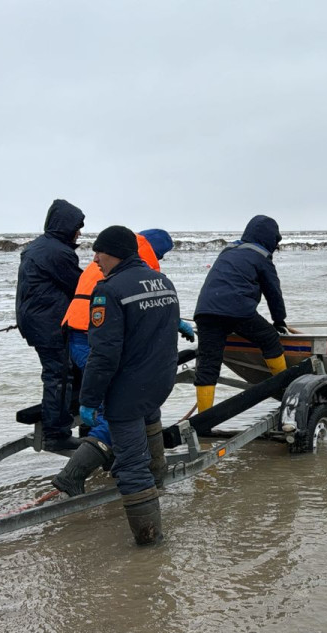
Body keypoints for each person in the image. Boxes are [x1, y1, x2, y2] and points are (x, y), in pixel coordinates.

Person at [51, 228, 193, 496]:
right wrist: (91, 400)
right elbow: (137, 315)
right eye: (161, 253)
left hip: (87, 331)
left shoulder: (121, 259)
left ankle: (150, 475)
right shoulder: (133, 265)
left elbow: (145, 310)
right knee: (116, 407)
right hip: (87, 336)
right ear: (153, 249)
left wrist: (175, 321)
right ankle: (72, 474)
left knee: (133, 402)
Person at [77, 226, 180, 545]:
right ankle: (158, 487)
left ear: (115, 253)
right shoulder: (163, 282)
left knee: (131, 467)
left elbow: (104, 353)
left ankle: (150, 541)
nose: (95, 259)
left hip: (127, 391)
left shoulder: (109, 290)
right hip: (159, 382)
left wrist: (90, 399)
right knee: (151, 431)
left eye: (99, 252)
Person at [192, 215, 289, 413]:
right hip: (237, 310)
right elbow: (273, 293)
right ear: (270, 239)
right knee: (269, 339)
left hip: (205, 311)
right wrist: (279, 321)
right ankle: (285, 389)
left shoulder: (228, 251)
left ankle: (203, 419)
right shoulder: (261, 257)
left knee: (208, 364)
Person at [16, 199, 85, 452]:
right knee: (59, 374)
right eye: (77, 227)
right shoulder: (57, 252)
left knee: (67, 370)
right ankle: (57, 432)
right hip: (49, 323)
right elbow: (79, 286)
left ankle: (71, 412)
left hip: (37, 319)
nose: (79, 232)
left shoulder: (42, 246)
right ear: (66, 226)